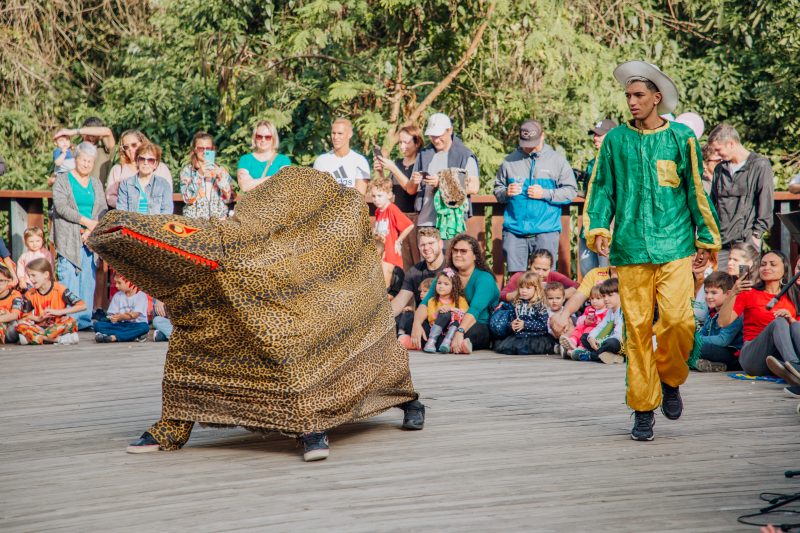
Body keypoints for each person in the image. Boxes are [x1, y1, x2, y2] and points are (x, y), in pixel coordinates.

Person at [88, 166, 425, 462]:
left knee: (293, 338)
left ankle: (321, 422)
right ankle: (176, 420)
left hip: (293, 301)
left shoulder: (333, 238)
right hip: (231, 273)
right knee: (194, 333)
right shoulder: (250, 232)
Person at [583, 61, 721, 441]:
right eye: (628, 96)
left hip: (675, 245)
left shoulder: (681, 138)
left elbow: (695, 188)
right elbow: (601, 190)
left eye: (639, 95)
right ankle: (643, 408)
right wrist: (597, 226)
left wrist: (706, 239)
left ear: (657, 98)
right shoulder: (615, 141)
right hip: (629, 250)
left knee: (678, 322)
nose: (631, 102)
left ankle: (671, 378)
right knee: (638, 332)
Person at [494, 120, 578, 273]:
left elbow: (571, 191)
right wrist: (506, 192)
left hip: (546, 231)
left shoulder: (557, 161)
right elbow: (498, 189)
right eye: (525, 142)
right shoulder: (509, 161)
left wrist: (545, 193)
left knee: (544, 280)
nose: (529, 147)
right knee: (516, 280)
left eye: (533, 142)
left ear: (543, 136)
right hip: (514, 231)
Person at [717, 250, 800, 381]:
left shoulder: (793, 296)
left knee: (795, 326)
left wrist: (791, 319)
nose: (766, 267)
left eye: (773, 264)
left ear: (784, 269)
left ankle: (793, 369)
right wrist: (733, 293)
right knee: (778, 322)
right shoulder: (749, 293)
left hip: (777, 359)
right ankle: (795, 365)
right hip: (753, 357)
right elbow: (722, 322)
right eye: (763, 264)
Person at [51, 142, 109, 330]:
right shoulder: (63, 180)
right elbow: (61, 207)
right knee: (68, 277)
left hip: (90, 237)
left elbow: (102, 209)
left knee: (88, 278)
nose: (86, 164)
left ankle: (83, 320)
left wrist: (92, 230)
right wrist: (85, 222)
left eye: (90, 161)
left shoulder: (96, 183)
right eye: (84, 160)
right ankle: (69, 320)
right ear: (76, 159)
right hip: (69, 235)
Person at [411, 234, 499, 353]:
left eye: (463, 251)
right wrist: (416, 325)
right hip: (444, 324)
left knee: (468, 334)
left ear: (474, 256)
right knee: (410, 319)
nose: (458, 255)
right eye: (455, 251)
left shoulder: (484, 278)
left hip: (475, 325)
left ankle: (434, 342)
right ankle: (450, 344)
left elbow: (475, 310)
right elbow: (425, 303)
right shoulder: (446, 275)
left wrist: (460, 331)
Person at [708, 123, 774, 270]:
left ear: (731, 143)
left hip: (746, 243)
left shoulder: (760, 165)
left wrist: (756, 235)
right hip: (722, 243)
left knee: (745, 284)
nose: (717, 155)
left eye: (719, 150)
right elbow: (712, 205)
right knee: (721, 287)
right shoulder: (720, 169)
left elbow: (766, 204)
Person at [412, 113, 479, 229]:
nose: (436, 140)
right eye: (432, 136)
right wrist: (415, 180)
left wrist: (442, 183)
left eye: (439, 135)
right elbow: (411, 189)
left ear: (450, 130)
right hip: (426, 221)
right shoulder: (424, 154)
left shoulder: (464, 155)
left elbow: (474, 187)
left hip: (452, 221)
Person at [577, 119, 616, 276]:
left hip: (608, 226)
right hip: (588, 226)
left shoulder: (619, 161)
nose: (595, 138)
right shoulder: (592, 163)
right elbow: (590, 194)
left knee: (606, 275)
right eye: (594, 135)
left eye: (600, 135)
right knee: (588, 274)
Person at [16, 258, 85, 345]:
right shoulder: (29, 294)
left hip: (57, 326)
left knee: (71, 321)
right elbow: (24, 315)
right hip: (39, 327)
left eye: (33, 275)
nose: (30, 279)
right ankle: (58, 340)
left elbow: (82, 305)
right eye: (29, 276)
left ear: (46, 274)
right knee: (20, 324)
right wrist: (38, 318)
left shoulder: (60, 289)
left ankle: (34, 338)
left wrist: (59, 312)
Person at [391, 227, 445, 334]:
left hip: (444, 318)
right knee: (400, 319)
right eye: (422, 245)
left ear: (440, 244)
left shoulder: (451, 269)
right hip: (420, 321)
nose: (426, 248)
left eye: (431, 243)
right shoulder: (414, 271)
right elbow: (400, 301)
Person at [492, 272, 556, 355]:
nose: (524, 291)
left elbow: (543, 325)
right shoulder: (516, 304)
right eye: (521, 288)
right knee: (505, 347)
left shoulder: (539, 305)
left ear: (536, 289)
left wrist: (525, 324)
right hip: (518, 337)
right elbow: (511, 319)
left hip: (535, 337)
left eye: (528, 288)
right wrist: (511, 325)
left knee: (525, 349)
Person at [690, 271, 743, 372]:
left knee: (700, 348)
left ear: (728, 294)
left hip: (732, 354)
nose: (708, 296)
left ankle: (693, 362)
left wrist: (695, 340)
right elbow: (703, 332)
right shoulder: (712, 312)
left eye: (714, 293)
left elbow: (723, 340)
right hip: (716, 350)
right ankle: (713, 365)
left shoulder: (734, 313)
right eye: (706, 292)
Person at [106, 130, 173, 208]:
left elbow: (167, 195)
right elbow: (110, 197)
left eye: (134, 145)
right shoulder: (118, 170)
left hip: (155, 215)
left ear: (143, 143)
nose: (130, 149)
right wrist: (129, 205)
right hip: (128, 215)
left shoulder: (161, 168)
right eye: (126, 147)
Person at [550, 264, 616, 338]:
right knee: (555, 319)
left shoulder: (630, 274)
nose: (613, 254)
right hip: (590, 320)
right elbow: (577, 298)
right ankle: (570, 344)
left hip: (615, 322)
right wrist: (564, 316)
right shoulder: (595, 273)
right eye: (611, 251)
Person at [371, 177, 414, 288]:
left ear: (389, 195)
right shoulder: (377, 211)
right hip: (381, 253)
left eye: (380, 196)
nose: (376, 199)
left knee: (388, 285)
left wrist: (398, 241)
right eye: (374, 196)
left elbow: (409, 225)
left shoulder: (392, 209)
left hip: (391, 254)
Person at [180, 132, 233, 220]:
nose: (205, 152)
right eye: (200, 148)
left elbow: (229, 198)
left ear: (213, 150)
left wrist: (220, 178)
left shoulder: (221, 170)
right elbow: (187, 199)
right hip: (194, 222)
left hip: (219, 221)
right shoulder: (187, 171)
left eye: (208, 148)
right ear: (194, 150)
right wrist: (199, 175)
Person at [571, 278, 625, 364]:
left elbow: (618, 335)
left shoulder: (623, 311)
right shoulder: (610, 311)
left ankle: (590, 355)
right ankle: (611, 356)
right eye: (604, 296)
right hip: (605, 341)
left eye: (610, 295)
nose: (606, 299)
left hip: (622, 343)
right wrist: (591, 338)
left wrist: (600, 342)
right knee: (585, 337)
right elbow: (600, 327)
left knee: (611, 343)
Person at [313, 118, 370, 195]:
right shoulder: (321, 161)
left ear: (349, 135)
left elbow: (359, 198)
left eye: (340, 133)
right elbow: (317, 193)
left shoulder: (360, 161)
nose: (335, 137)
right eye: (333, 133)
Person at [53, 117, 116, 186]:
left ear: (100, 136)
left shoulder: (105, 151)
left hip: (97, 195)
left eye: (93, 135)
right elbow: (59, 171)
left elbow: (107, 131)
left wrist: (73, 132)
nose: (89, 138)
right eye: (86, 134)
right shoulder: (74, 150)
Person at [374, 125, 423, 212]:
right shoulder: (398, 163)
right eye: (400, 142)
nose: (402, 146)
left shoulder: (421, 163)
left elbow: (411, 189)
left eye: (406, 142)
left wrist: (393, 168)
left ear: (417, 143)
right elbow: (386, 189)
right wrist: (380, 172)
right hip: (397, 215)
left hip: (415, 216)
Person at [419, 269, 469, 353]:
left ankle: (447, 342)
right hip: (438, 329)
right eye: (439, 283)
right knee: (444, 314)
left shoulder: (460, 300)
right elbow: (430, 318)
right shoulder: (432, 301)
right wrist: (438, 311)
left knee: (454, 317)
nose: (441, 286)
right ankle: (431, 342)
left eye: (446, 284)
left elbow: (466, 313)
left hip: (453, 330)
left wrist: (451, 309)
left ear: (454, 286)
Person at [117, 142, 174, 215]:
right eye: (142, 159)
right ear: (137, 161)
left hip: (155, 225)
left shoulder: (163, 184)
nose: (145, 163)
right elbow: (121, 212)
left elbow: (167, 212)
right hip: (131, 224)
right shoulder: (126, 184)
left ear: (155, 164)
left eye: (150, 160)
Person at [500, 249, 578, 302]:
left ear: (550, 268)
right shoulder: (520, 276)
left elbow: (577, 286)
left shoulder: (553, 276)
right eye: (537, 268)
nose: (540, 273)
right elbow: (502, 295)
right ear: (530, 264)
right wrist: (522, 293)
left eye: (545, 270)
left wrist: (555, 295)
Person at [236, 120, 292, 192]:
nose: (263, 140)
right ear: (254, 138)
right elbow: (245, 186)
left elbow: (285, 185)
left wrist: (253, 182)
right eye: (259, 136)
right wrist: (271, 178)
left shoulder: (283, 160)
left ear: (273, 138)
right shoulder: (245, 159)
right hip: (253, 203)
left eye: (267, 137)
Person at [93, 275, 150, 343]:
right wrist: (113, 318)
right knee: (98, 325)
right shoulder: (117, 295)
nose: (116, 285)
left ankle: (113, 337)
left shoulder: (141, 295)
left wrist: (121, 317)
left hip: (135, 325)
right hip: (120, 325)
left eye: (119, 283)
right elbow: (112, 314)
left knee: (144, 327)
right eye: (116, 283)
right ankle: (131, 336)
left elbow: (135, 315)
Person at [560, 285, 608, 358]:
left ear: (605, 298)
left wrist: (596, 322)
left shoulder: (606, 312)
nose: (594, 301)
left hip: (596, 332)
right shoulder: (589, 309)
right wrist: (585, 320)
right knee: (578, 328)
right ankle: (572, 342)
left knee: (587, 331)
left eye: (598, 298)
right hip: (586, 326)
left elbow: (605, 324)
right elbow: (579, 320)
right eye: (592, 298)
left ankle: (582, 347)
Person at [692, 248, 717, 326]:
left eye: (702, 254)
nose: (696, 258)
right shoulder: (682, 281)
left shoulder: (715, 283)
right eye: (692, 254)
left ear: (712, 261)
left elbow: (700, 315)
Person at [0, 265, 24, 343]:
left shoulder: (15, 294)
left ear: (9, 281)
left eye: (1, 281)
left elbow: (14, 315)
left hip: (10, 329)